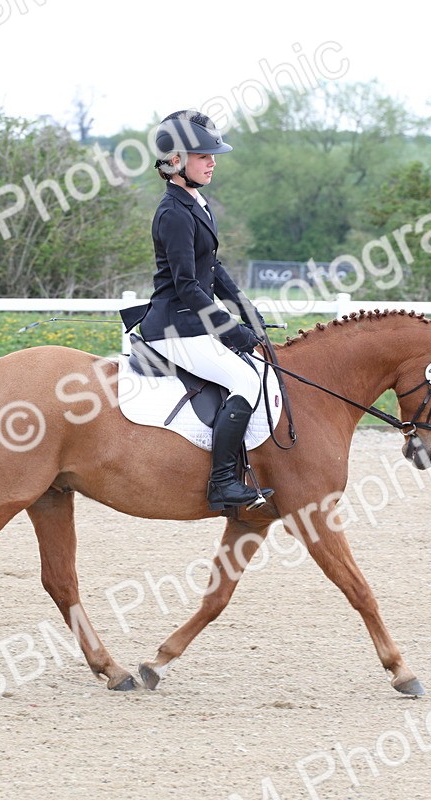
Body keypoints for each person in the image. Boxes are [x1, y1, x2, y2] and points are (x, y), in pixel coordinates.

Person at [129, 109, 274, 512]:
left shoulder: (196, 201)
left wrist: (247, 310)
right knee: (245, 382)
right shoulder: (173, 213)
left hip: (194, 323)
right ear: (176, 161)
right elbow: (187, 286)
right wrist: (232, 330)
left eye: (213, 155)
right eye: (203, 155)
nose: (213, 161)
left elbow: (214, 268)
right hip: (176, 328)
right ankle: (223, 482)